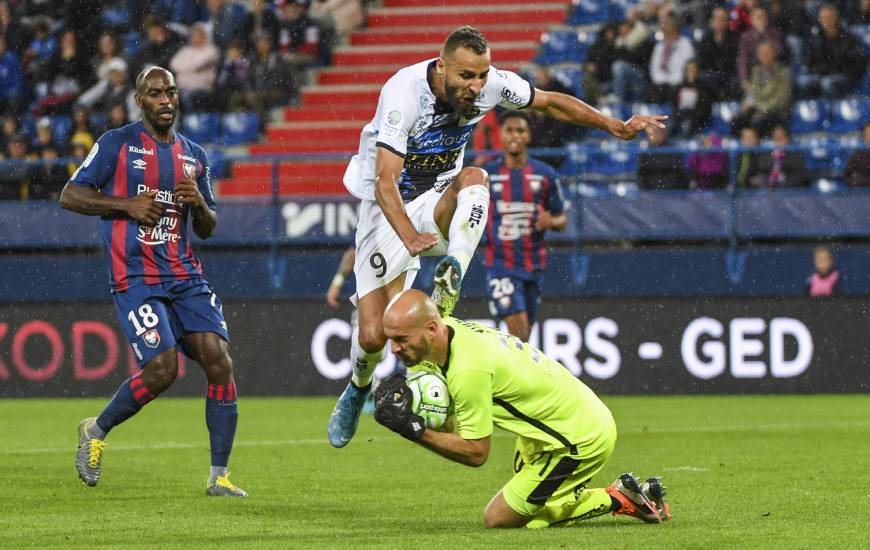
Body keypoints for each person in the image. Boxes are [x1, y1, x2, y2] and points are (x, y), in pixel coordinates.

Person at [327, 26, 667, 449]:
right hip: (388, 208)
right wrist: (410, 235)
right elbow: (383, 182)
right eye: (466, 76)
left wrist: (613, 125)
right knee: (373, 335)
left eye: (482, 74)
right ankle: (357, 387)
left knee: (476, 177)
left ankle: (452, 274)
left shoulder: (492, 86)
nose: (476, 86)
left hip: (438, 198)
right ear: (442, 65)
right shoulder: (403, 93)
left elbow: (551, 103)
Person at [59, 67, 247, 497]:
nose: (165, 99)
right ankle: (96, 428)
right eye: (155, 93)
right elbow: (70, 195)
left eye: (171, 92)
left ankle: (219, 476)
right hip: (136, 277)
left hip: (184, 275)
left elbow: (209, 227)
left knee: (219, 361)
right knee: (163, 370)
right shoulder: (116, 144)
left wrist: (199, 202)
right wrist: (126, 204)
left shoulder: (194, 156)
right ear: (139, 101)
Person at [373, 289, 672, 528]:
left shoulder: (468, 371)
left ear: (430, 329)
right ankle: (625, 492)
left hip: (578, 439)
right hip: (549, 427)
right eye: (390, 340)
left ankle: (619, 497)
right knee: (531, 505)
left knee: (501, 519)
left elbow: (476, 453)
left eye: (401, 340)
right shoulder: (449, 330)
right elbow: (450, 425)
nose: (394, 350)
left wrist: (414, 430)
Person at [481, 111, 565, 342]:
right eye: (509, 130)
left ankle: (504, 374)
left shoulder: (546, 175)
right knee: (518, 334)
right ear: (501, 135)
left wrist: (551, 222)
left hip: (534, 266)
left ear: (529, 135)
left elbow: (562, 219)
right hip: (501, 266)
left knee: (523, 339)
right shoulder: (486, 175)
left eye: (520, 130)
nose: (515, 136)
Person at [799, 3, 866, 98]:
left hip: (842, 76)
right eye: (824, 18)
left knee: (827, 83)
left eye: (830, 17)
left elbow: (855, 63)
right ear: (819, 19)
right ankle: (815, 110)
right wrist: (821, 70)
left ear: (836, 18)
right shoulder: (814, 38)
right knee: (804, 83)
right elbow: (808, 61)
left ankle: (833, 110)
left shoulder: (848, 38)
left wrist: (832, 70)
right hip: (821, 74)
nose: (827, 21)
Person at [731, 41, 791, 138]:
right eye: (762, 53)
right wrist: (747, 103)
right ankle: (741, 148)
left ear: (773, 54)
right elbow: (752, 93)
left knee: (759, 121)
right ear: (758, 56)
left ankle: (755, 148)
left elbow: (781, 99)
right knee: (736, 121)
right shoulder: (756, 71)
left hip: (775, 113)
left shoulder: (783, 72)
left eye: (767, 53)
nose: (765, 55)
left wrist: (760, 107)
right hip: (757, 110)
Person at [843, 123, 870, 187]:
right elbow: (847, 177)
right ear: (864, 137)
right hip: (862, 191)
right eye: (868, 135)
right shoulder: (857, 155)